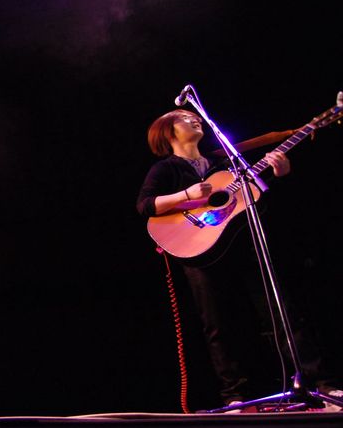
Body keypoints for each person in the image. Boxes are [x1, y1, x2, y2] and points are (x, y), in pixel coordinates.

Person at [136, 109, 339, 410]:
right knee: (217, 324)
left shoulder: (224, 162)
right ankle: (234, 395)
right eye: (183, 117)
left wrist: (278, 174)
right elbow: (145, 205)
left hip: (241, 244)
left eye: (196, 116)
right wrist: (186, 194)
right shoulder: (166, 169)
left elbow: (253, 196)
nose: (195, 119)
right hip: (198, 252)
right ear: (168, 132)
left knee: (281, 310)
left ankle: (321, 384)